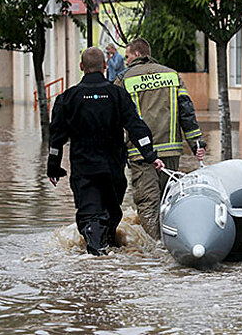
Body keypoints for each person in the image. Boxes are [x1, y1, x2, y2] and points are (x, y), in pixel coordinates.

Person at [47, 47, 164, 256]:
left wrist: (53, 167)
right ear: (104, 66)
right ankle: (106, 254)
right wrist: (150, 155)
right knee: (111, 213)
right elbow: (137, 127)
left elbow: (56, 137)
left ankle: (97, 258)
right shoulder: (117, 95)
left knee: (90, 215)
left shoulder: (67, 98)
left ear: (82, 67)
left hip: (84, 170)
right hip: (113, 171)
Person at [116, 37, 206, 239]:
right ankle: (173, 244)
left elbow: (116, 118)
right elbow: (186, 112)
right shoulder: (172, 75)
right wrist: (196, 143)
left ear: (138, 54)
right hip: (171, 151)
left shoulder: (124, 79)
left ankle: (154, 253)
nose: (126, 61)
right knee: (169, 200)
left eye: (127, 56)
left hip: (141, 154)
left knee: (148, 202)